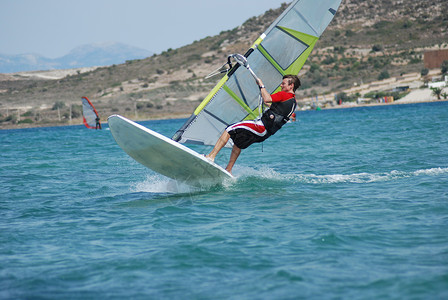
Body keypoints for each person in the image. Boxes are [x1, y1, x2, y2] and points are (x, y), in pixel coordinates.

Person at [206, 74, 300, 174]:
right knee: (238, 143)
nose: (281, 85)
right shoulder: (293, 101)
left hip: (261, 126)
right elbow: (273, 106)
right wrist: (262, 92)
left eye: (283, 84)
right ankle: (229, 169)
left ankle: (211, 157)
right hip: (265, 134)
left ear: (291, 86)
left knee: (229, 129)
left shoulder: (284, 95)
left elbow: (267, 99)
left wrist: (261, 85)